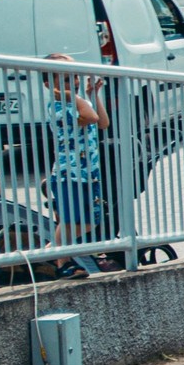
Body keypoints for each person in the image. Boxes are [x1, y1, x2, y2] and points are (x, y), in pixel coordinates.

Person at [40, 55, 109, 280]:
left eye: (75, 77)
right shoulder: (57, 106)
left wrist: (92, 95)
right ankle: (63, 262)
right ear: (50, 85)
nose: (74, 82)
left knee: (91, 220)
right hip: (68, 173)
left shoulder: (78, 102)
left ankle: (54, 249)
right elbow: (90, 117)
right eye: (66, 80)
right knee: (70, 220)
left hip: (89, 172)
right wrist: (73, 97)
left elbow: (103, 122)